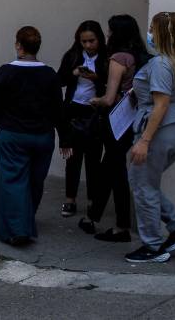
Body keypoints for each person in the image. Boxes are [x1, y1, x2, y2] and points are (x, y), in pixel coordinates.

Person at [0, 26, 67, 246]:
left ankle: (17, 229)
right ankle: (26, 219)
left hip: (13, 135)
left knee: (13, 180)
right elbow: (58, 108)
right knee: (35, 180)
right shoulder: (49, 74)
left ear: (18, 45)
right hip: (43, 136)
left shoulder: (7, 71)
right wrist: (65, 138)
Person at [125, 12, 175, 263]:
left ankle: (152, 246)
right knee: (145, 181)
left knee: (142, 184)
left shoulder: (160, 64)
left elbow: (161, 104)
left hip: (162, 131)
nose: (149, 33)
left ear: (162, 34)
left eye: (151, 28)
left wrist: (144, 141)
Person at [80, 15, 150, 243]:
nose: (108, 35)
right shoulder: (141, 56)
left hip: (116, 122)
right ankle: (95, 217)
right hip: (134, 120)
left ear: (117, 33)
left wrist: (95, 101)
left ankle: (119, 226)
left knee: (113, 172)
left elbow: (109, 99)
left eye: (110, 31)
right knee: (112, 169)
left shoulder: (119, 58)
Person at [57, 21, 108, 218]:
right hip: (73, 109)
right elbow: (59, 80)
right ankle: (70, 199)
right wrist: (75, 73)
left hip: (95, 110)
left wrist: (96, 78)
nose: (88, 45)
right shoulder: (72, 56)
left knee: (93, 159)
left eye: (91, 41)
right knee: (72, 158)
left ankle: (92, 200)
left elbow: (111, 85)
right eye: (84, 41)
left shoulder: (106, 58)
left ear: (99, 39)